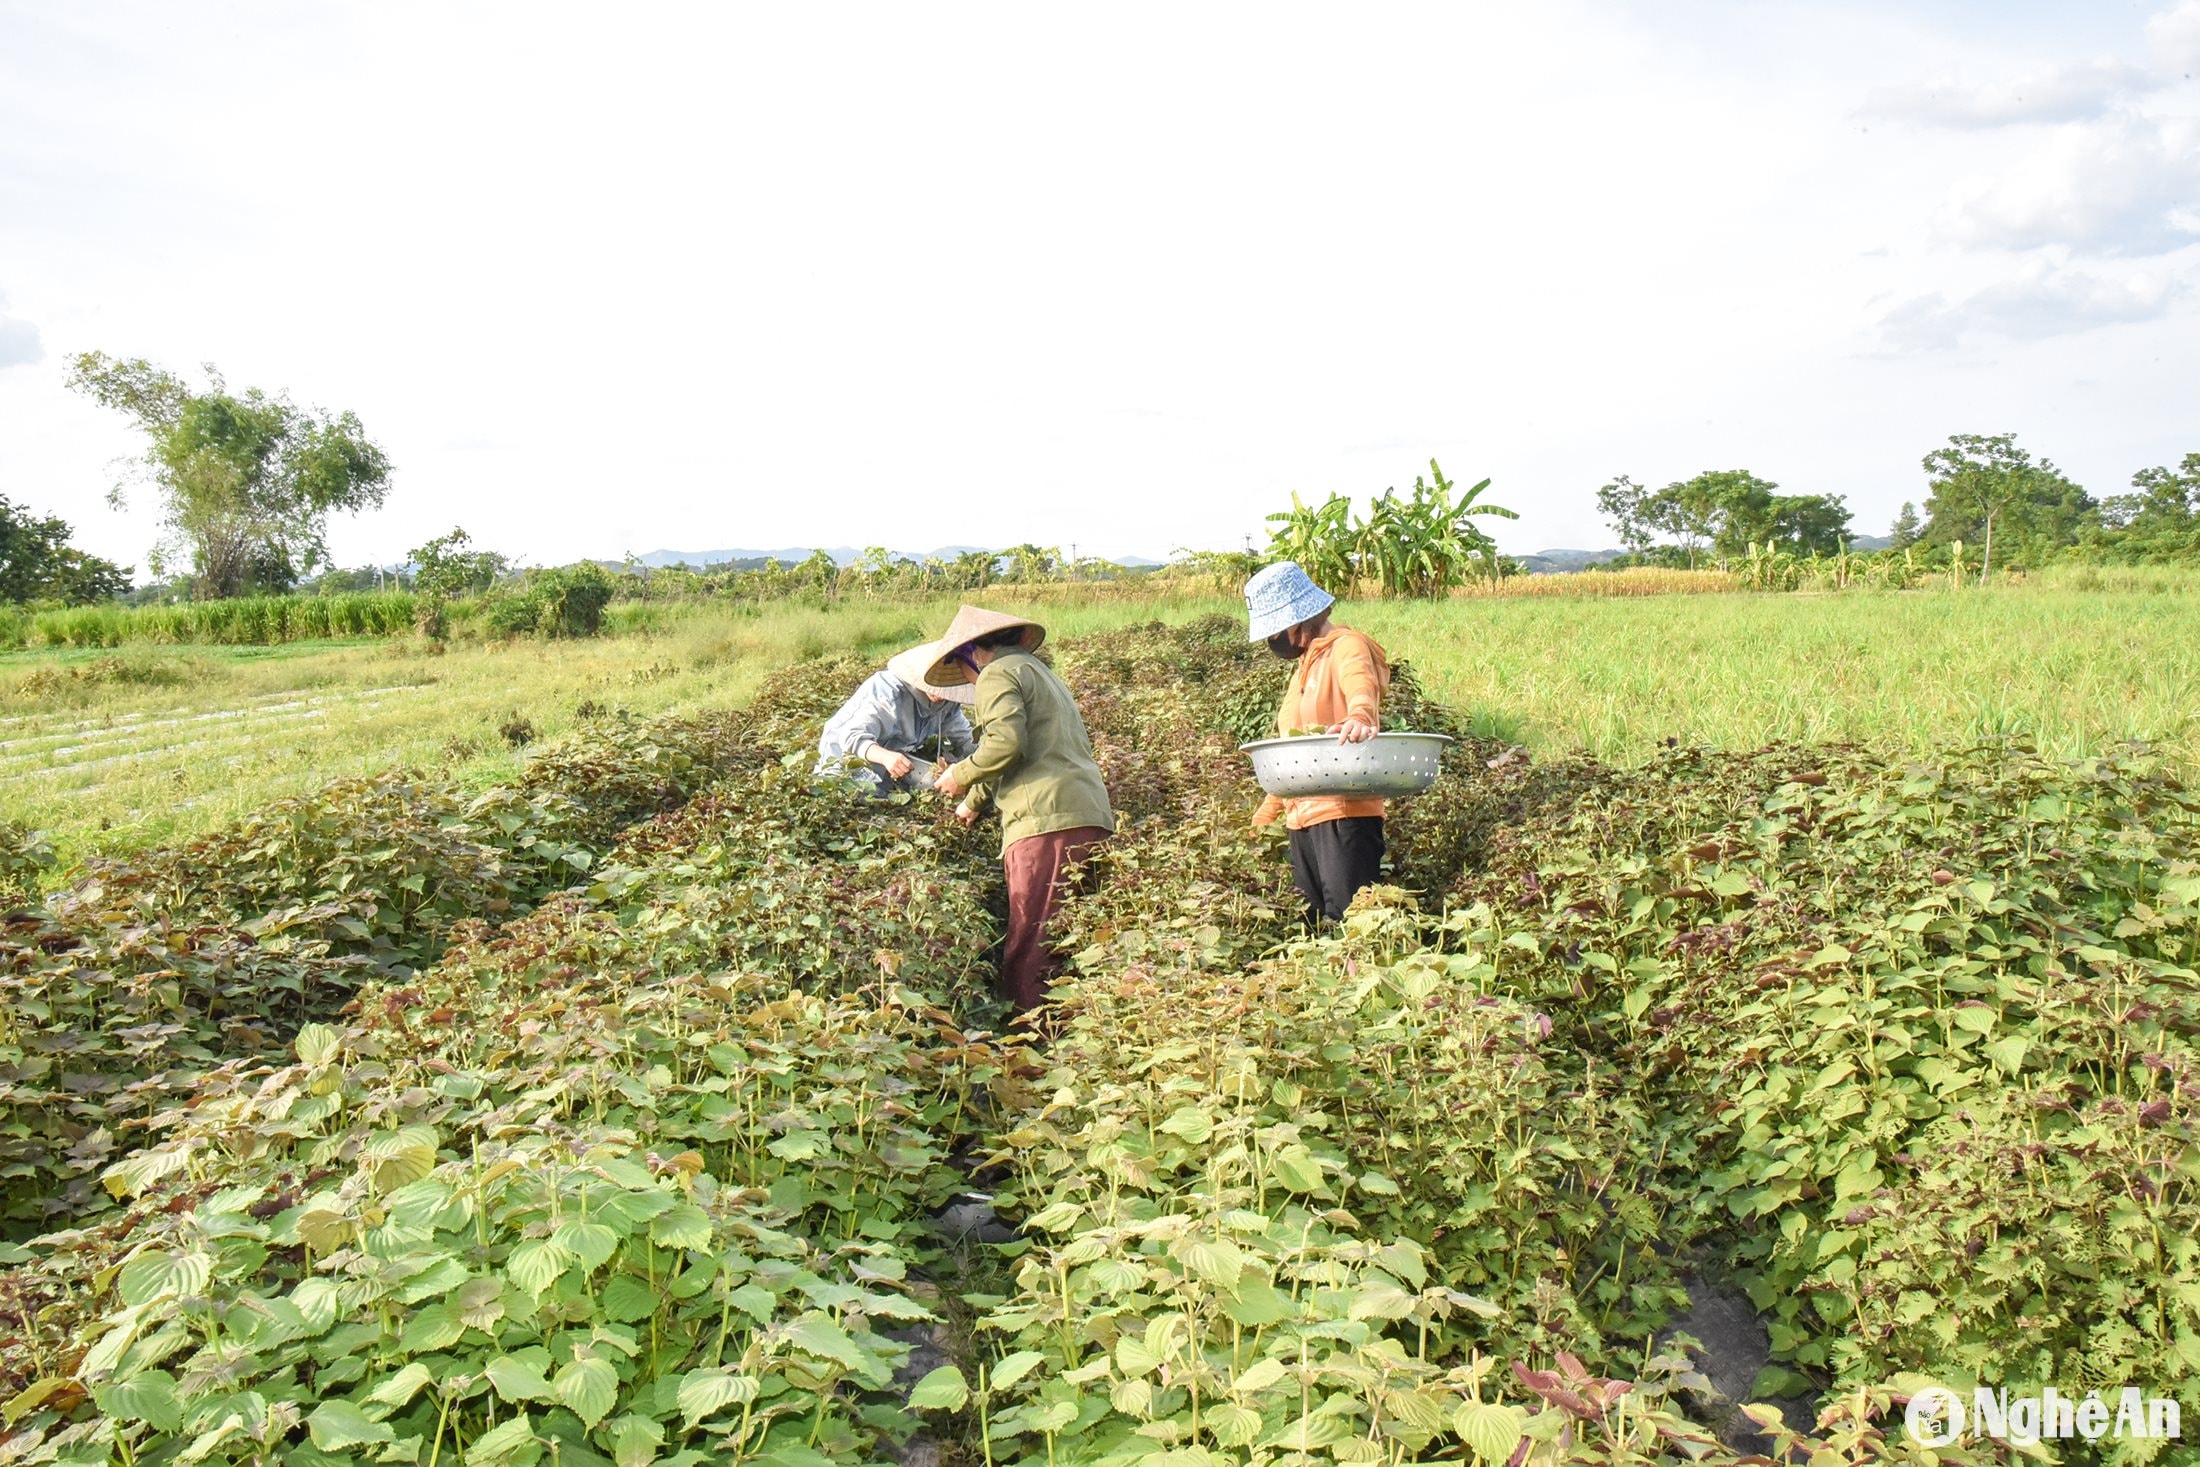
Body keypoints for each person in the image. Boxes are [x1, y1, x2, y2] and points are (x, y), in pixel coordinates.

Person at [929, 605, 1115, 1015]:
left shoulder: (996, 673)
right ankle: (1084, 1041)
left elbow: (1004, 745)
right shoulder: (1041, 673)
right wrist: (973, 803)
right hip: (1088, 814)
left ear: (973, 654)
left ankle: (1031, 1056)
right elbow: (1023, 750)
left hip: (1044, 823)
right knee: (1075, 938)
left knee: (1033, 945)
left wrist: (960, 774)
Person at [1243, 560, 1392, 924]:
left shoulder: (1347, 646)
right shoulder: (1306, 666)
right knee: (1313, 924)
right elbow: (1294, 747)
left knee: (1351, 924)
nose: (1273, 640)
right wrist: (1271, 807)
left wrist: (1359, 717)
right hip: (1302, 818)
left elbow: (1362, 686)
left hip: (1344, 813)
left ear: (1297, 619)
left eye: (1275, 629)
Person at [815, 638, 980, 799]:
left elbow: (963, 736)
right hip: (844, 759)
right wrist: (886, 757)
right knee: (844, 804)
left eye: (947, 684)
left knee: (881, 802)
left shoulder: (947, 701)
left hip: (885, 762)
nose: (940, 692)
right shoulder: (889, 694)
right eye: (936, 681)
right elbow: (852, 737)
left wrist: (985, 760)